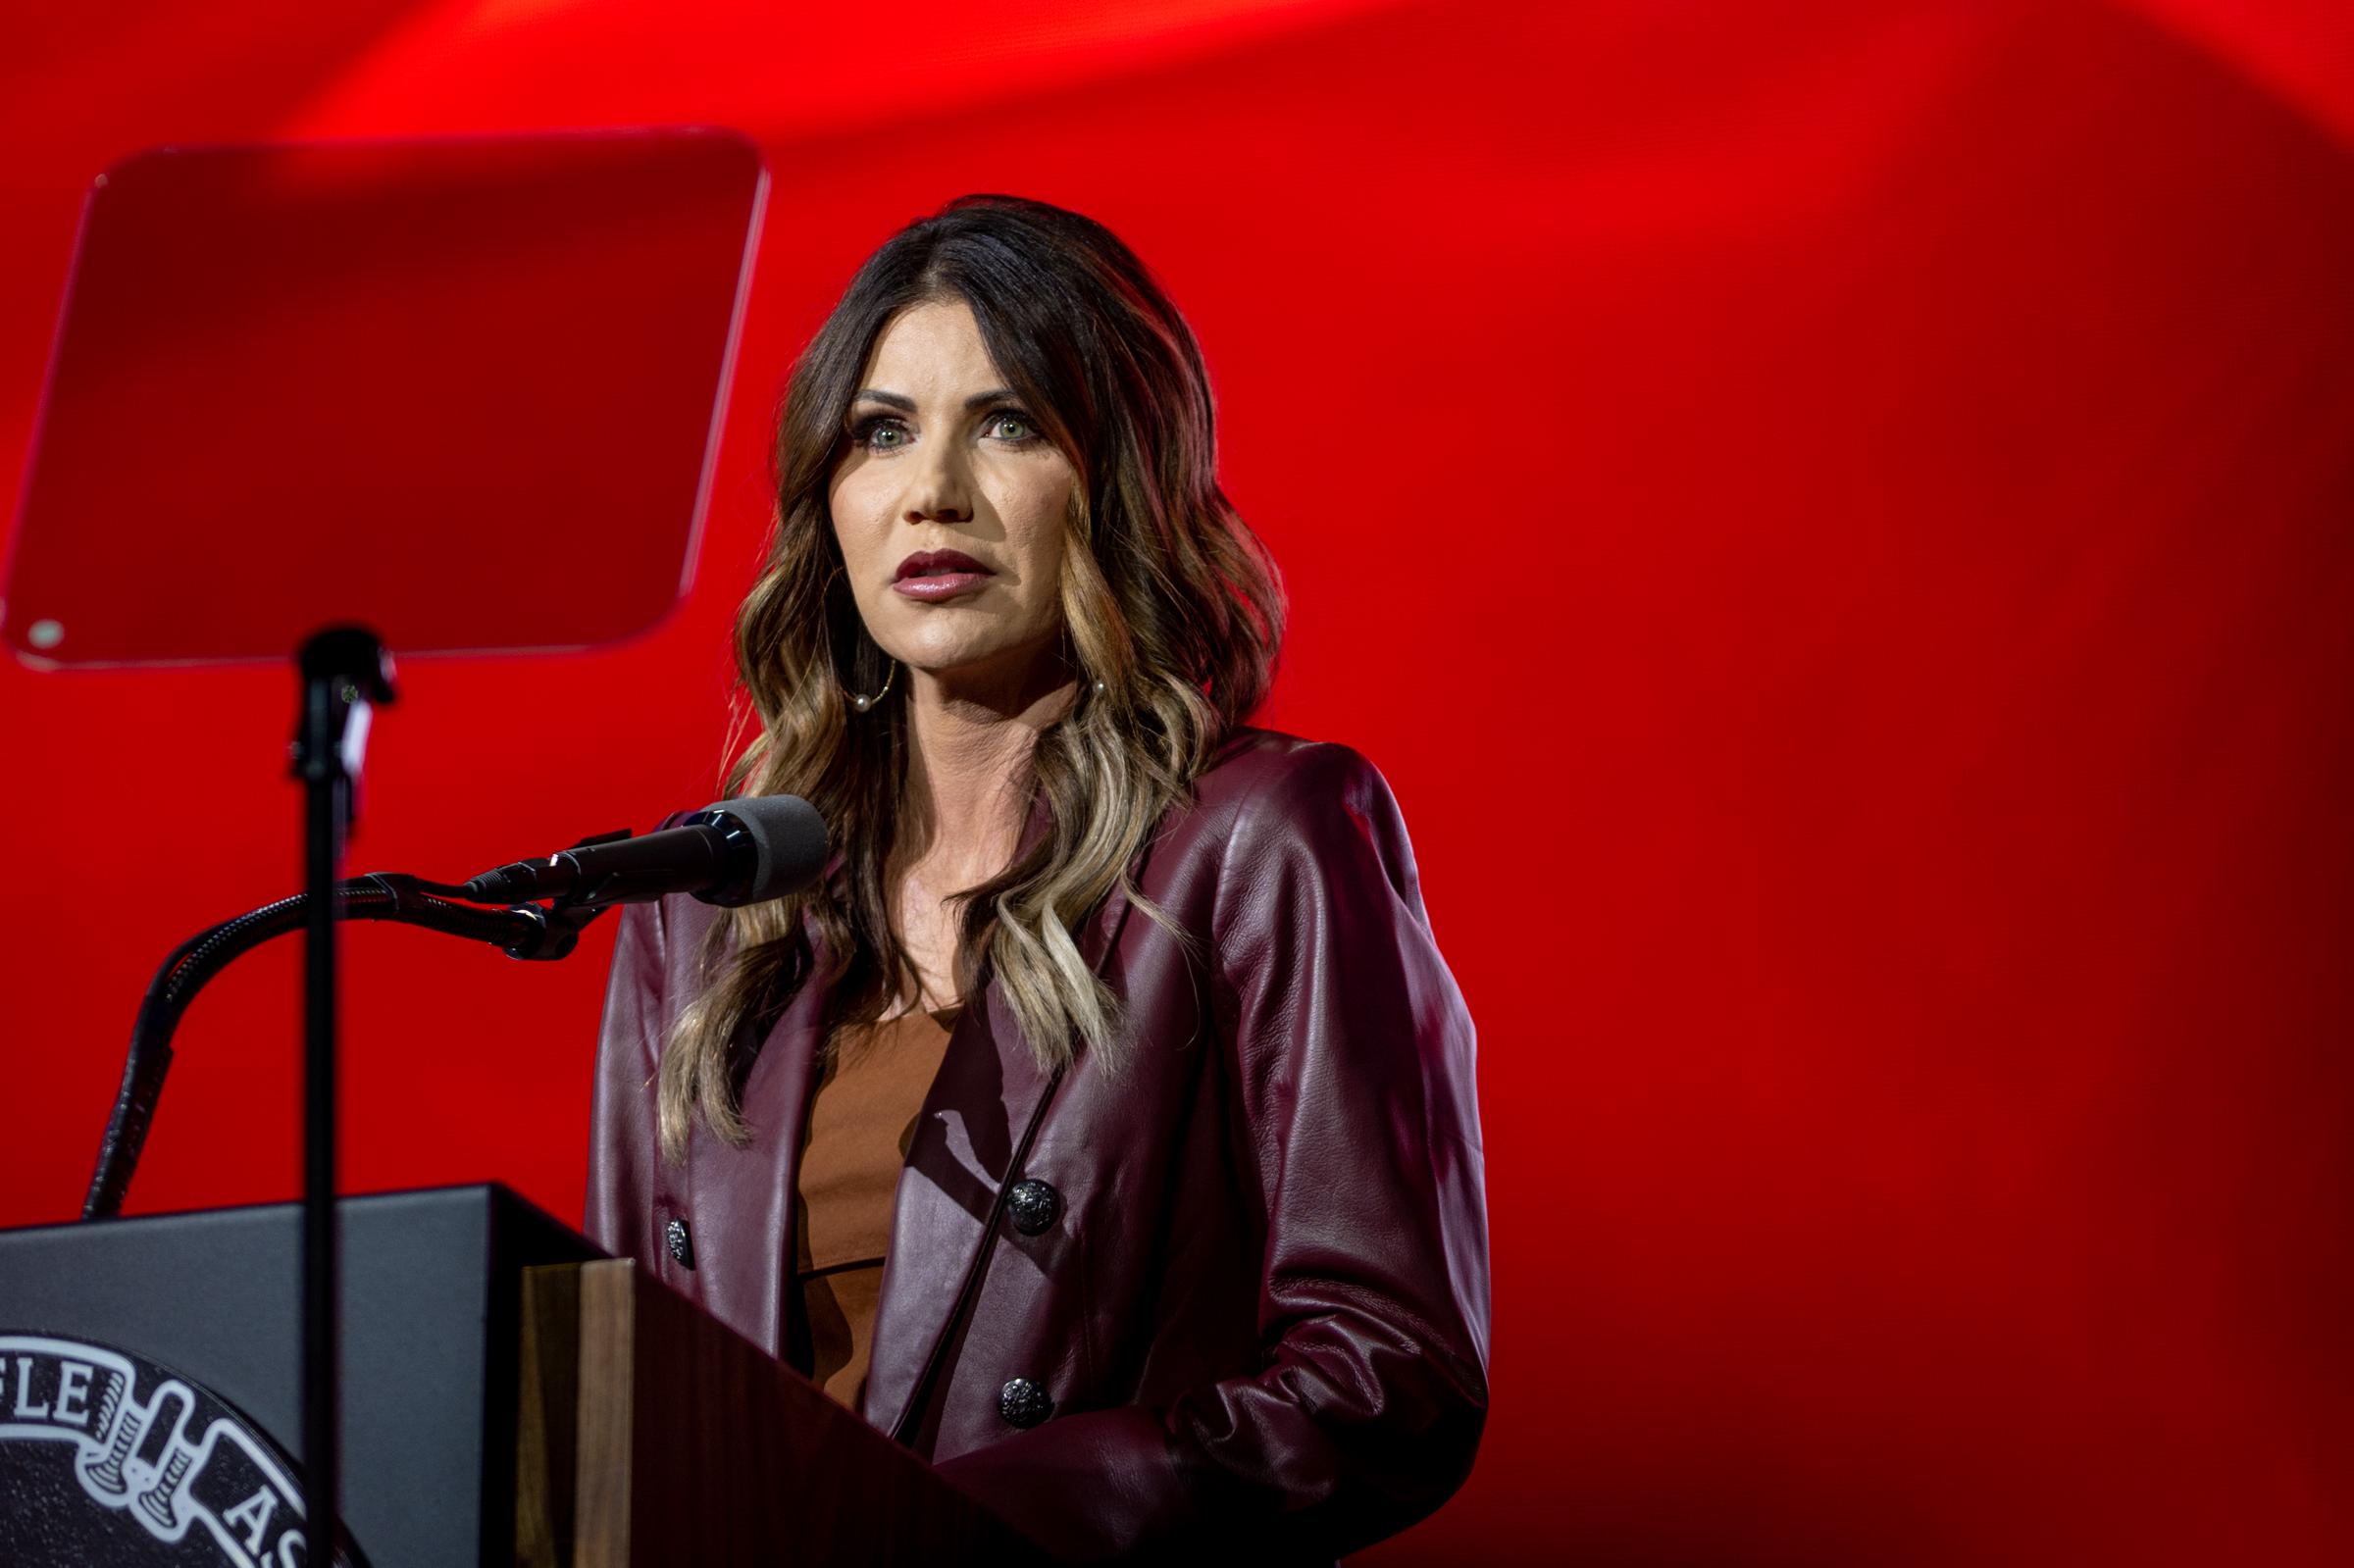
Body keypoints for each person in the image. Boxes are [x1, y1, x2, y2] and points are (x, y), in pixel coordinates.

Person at [588, 193, 1488, 1564]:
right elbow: (613, 1400)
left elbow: (1390, 1370)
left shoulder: (1261, 838)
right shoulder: (701, 907)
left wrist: (976, 1526)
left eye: (1006, 424)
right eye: (881, 433)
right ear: (829, 498)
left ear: (1115, 475)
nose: (931, 489)